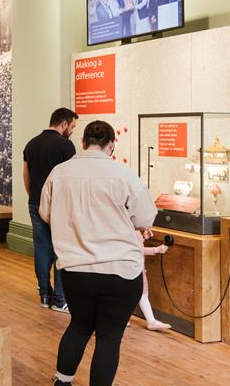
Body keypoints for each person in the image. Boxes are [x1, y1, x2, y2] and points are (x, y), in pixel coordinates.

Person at [40, 120, 157, 386]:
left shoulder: (60, 173)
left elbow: (45, 213)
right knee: (109, 336)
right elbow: (145, 217)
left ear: (82, 143)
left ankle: (63, 381)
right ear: (112, 145)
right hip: (121, 270)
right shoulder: (124, 174)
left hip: (76, 268)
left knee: (79, 326)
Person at [23, 107, 78, 313]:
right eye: (72, 126)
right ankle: (60, 298)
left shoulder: (32, 143)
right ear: (63, 124)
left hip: (35, 202)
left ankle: (44, 295)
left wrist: (33, 196)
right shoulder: (65, 145)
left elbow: (26, 175)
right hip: (58, 205)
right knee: (61, 249)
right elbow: (72, 178)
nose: (72, 130)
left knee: (41, 248)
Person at [137, 229, 170, 331]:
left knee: (142, 293)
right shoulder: (131, 228)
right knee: (140, 293)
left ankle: (151, 321)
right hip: (134, 267)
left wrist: (143, 236)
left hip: (136, 267)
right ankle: (151, 321)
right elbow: (136, 249)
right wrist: (156, 250)